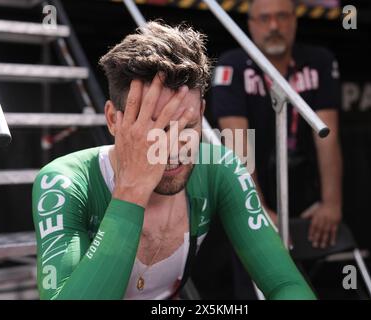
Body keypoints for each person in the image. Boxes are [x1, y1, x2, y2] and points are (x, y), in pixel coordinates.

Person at [31, 21, 316, 300]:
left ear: (202, 112)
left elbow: (285, 283)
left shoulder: (219, 167)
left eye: (188, 126)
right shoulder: (64, 182)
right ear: (112, 119)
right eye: (155, 127)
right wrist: (131, 191)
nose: (174, 146)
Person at [202, 0, 343, 299]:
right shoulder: (232, 64)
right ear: (250, 24)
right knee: (257, 274)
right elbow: (237, 142)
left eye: (282, 17)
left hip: (303, 190)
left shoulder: (318, 60)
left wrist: (331, 203)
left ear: (295, 19)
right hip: (252, 190)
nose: (274, 26)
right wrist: (258, 210)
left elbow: (327, 135)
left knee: (315, 279)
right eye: (264, 19)